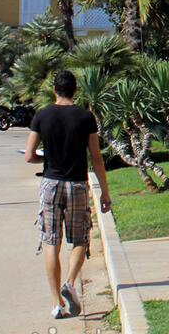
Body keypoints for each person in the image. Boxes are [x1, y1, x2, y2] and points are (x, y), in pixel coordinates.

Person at [25, 70, 112, 320]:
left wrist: (48, 156)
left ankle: (56, 304)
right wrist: (105, 192)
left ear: (55, 90)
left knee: (51, 242)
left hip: (51, 183)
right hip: (77, 184)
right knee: (80, 238)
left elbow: (29, 155)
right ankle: (71, 283)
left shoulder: (42, 115)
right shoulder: (85, 117)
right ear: (76, 90)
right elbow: (96, 157)